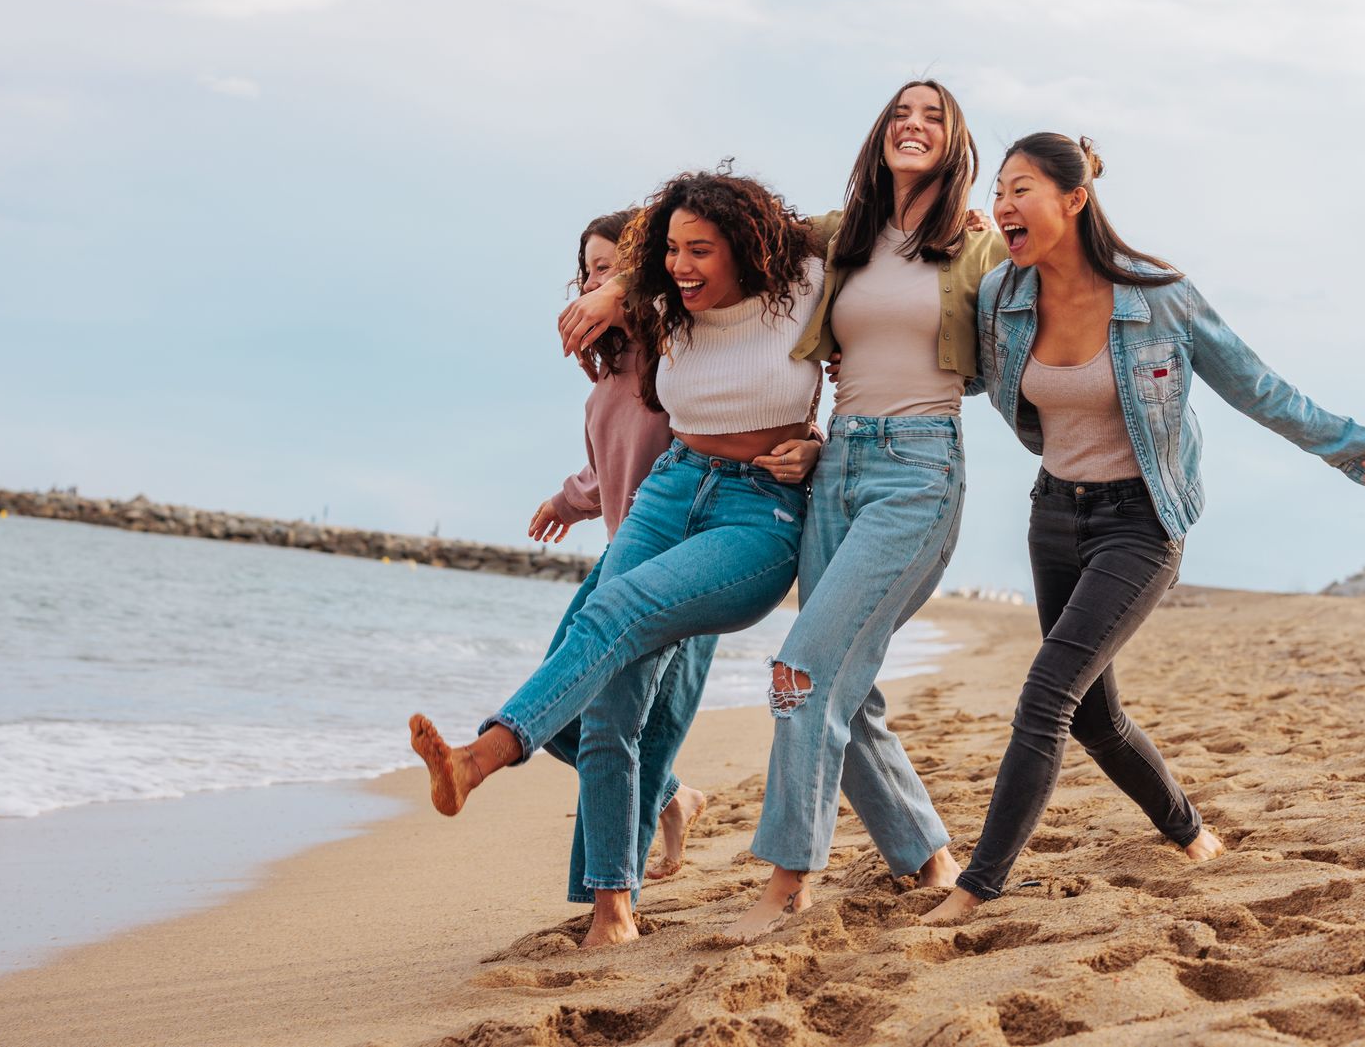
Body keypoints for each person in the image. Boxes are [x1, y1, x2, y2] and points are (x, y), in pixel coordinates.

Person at [562, 80, 1010, 939]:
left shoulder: (976, 248)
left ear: (955, 146)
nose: (914, 124)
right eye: (901, 112)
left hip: (918, 464)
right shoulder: (841, 235)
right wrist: (617, 292)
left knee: (801, 669)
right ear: (881, 134)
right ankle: (927, 855)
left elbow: (1006, 343)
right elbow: (717, 238)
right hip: (834, 461)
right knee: (851, 683)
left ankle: (789, 882)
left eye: (935, 116)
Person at [921, 132, 1365, 925]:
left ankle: (978, 887)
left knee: (1044, 696)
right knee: (1093, 715)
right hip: (1054, 516)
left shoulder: (1159, 294)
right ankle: (1192, 834)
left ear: (1074, 199)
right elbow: (952, 366)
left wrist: (1347, 448)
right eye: (999, 191)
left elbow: (1255, 385)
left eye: (1022, 189)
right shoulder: (1000, 293)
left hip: (1141, 525)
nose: (1004, 205)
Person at [412, 168, 825, 948]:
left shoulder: (806, 281)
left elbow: (860, 327)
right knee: (611, 702)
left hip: (757, 512)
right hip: (670, 492)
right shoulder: (664, 302)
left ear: (745, 247)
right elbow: (627, 296)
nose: (682, 265)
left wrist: (821, 442)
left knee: (611, 608)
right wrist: (613, 290)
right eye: (671, 250)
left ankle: (480, 757)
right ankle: (612, 914)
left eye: (700, 250)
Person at [528, 210, 706, 894]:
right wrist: (566, 500)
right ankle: (672, 795)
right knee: (557, 716)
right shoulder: (608, 375)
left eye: (610, 267)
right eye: (588, 269)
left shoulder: (681, 352)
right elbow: (608, 468)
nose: (592, 282)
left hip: (688, 560)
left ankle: (607, 901)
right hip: (619, 557)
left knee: (634, 731)